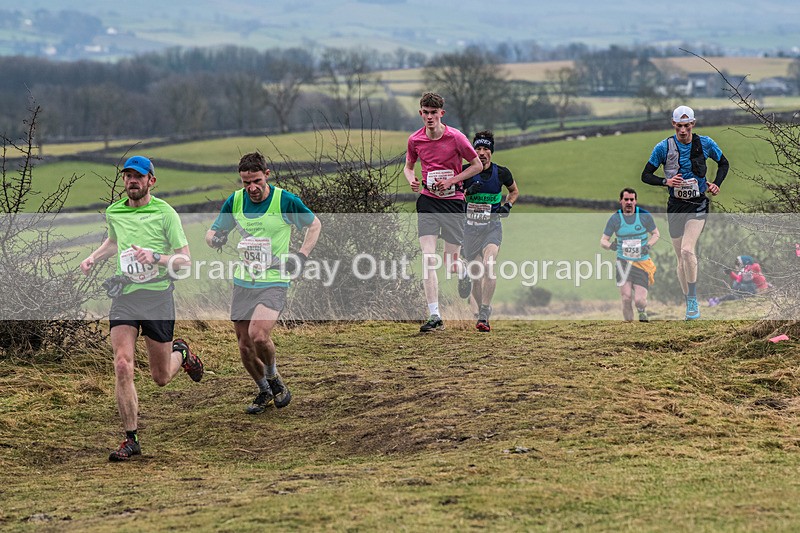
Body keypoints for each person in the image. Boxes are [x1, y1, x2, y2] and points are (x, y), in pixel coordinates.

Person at [80, 155, 204, 462]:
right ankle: (131, 438)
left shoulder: (165, 213)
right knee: (123, 364)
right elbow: (114, 242)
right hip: (126, 297)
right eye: (128, 176)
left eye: (139, 176)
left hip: (158, 297)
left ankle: (182, 354)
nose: (132, 180)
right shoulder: (115, 211)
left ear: (151, 180)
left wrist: (156, 258)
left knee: (161, 377)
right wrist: (94, 258)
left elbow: (185, 260)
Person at [206, 152, 321, 415]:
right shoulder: (235, 201)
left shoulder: (284, 200)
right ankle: (264, 390)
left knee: (259, 335)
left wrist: (302, 256)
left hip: (274, 278)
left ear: (267, 175)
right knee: (244, 346)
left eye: (257, 181)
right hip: (244, 281)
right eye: (246, 183)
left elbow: (315, 224)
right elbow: (212, 233)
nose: (252, 188)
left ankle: (274, 377)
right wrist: (216, 240)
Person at [641, 105, 730, 320]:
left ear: (693, 124)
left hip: (698, 203)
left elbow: (724, 163)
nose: (683, 130)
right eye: (679, 126)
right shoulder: (663, 148)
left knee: (688, 251)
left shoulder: (706, 144)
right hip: (675, 206)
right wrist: (666, 181)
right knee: (680, 258)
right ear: (673, 125)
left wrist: (716, 184)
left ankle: (693, 300)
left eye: (687, 125)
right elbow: (646, 175)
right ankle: (688, 299)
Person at [404, 92, 482, 332]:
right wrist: (412, 180)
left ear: (441, 114)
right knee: (428, 259)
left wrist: (452, 181)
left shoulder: (456, 137)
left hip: (453, 203)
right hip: (428, 201)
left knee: (451, 263)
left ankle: (464, 271)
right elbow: (408, 167)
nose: (429, 117)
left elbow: (477, 165)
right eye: (425, 112)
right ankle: (435, 315)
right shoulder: (415, 140)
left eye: (433, 113)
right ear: (420, 113)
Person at [460, 131, 519, 332]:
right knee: (476, 273)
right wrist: (466, 192)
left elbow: (514, 191)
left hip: (491, 228)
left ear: (491, 152)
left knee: (489, 264)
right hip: (470, 230)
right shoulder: (465, 172)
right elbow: (453, 196)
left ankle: (484, 312)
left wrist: (507, 206)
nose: (482, 152)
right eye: (478, 149)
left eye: (486, 149)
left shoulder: (502, 173)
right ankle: (479, 311)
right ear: (473, 151)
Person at [600, 188, 660, 322]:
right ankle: (629, 325)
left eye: (631, 200)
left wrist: (648, 245)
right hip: (623, 262)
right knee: (626, 297)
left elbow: (656, 234)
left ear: (635, 201)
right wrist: (611, 246)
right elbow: (603, 240)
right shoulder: (615, 219)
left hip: (642, 263)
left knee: (639, 300)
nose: (629, 202)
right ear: (621, 201)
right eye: (626, 199)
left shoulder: (644, 216)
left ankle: (641, 310)